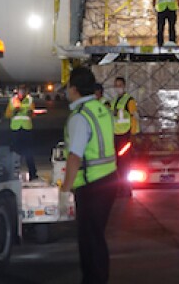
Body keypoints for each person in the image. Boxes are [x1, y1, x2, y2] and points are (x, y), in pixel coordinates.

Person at [60, 67, 118, 284]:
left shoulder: (79, 116)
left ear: (74, 89)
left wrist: (65, 191)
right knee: (96, 236)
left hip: (91, 184)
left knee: (89, 239)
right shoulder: (101, 108)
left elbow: (75, 156)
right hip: (109, 178)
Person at [110, 76, 139, 197]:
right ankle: (120, 188)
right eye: (116, 85)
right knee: (117, 164)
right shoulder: (115, 100)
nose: (118, 88)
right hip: (116, 136)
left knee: (124, 164)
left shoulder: (129, 100)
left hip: (125, 136)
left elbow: (134, 118)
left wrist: (133, 134)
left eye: (120, 85)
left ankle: (126, 189)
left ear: (124, 86)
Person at [4, 83, 38, 180]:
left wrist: (31, 113)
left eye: (24, 90)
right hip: (16, 129)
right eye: (21, 90)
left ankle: (33, 174)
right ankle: (13, 174)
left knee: (29, 153)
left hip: (26, 128)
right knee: (15, 153)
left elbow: (33, 113)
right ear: (17, 91)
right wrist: (14, 111)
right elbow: (7, 114)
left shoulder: (30, 100)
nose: (22, 92)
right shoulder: (12, 100)